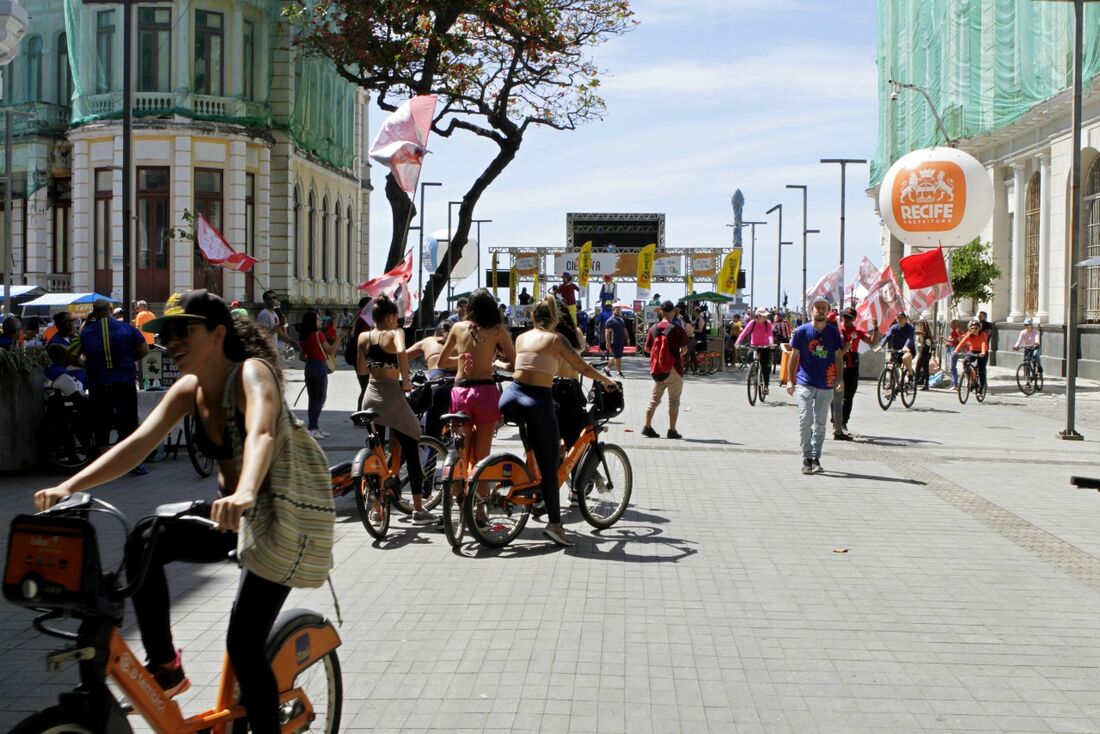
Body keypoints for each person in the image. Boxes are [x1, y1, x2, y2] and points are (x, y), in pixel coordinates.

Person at [35, 289, 305, 733]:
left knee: (243, 643)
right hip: (229, 516)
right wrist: (69, 484)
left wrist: (246, 493)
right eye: (168, 332)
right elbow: (137, 444)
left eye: (184, 330)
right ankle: (166, 666)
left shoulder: (253, 373)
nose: (172, 341)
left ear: (218, 333)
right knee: (146, 535)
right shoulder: (189, 388)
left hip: (277, 518)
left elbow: (260, 433)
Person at [503, 296, 618, 546]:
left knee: (534, 451)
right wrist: (606, 380)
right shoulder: (556, 339)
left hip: (510, 398)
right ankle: (555, 525)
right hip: (537, 400)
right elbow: (582, 366)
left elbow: (517, 364)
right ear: (554, 320)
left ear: (532, 317)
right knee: (549, 467)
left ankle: (532, 489)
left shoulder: (521, 338)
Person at [359, 296, 435, 523]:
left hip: (370, 395)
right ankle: (419, 509)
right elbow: (402, 352)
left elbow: (362, 368)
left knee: (376, 451)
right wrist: (406, 380)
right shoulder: (395, 333)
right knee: (412, 440)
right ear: (391, 317)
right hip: (392, 394)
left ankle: (375, 509)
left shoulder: (364, 337)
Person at [68, 299, 150, 473]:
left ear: (94, 313)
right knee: (128, 422)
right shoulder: (127, 328)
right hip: (124, 382)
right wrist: (130, 359)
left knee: (101, 424)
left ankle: (103, 466)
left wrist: (86, 364)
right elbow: (144, 349)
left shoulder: (85, 332)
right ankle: (133, 464)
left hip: (99, 383)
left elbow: (71, 355)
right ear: (110, 310)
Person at [439, 289, 516, 470]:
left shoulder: (458, 328)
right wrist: (496, 363)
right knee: (482, 459)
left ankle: (458, 494)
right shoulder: (498, 330)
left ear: (469, 308)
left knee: (461, 454)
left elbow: (441, 362)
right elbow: (515, 365)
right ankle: (481, 496)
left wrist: (461, 360)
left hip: (461, 392)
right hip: (485, 393)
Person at [787, 296, 843, 474]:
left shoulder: (833, 332)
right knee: (805, 419)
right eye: (817, 307)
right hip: (805, 381)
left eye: (823, 308)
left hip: (825, 383)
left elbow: (838, 356)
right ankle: (806, 457)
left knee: (820, 423)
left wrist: (839, 378)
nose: (820, 310)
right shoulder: (802, 331)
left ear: (828, 311)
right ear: (811, 310)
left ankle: (815, 457)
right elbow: (794, 356)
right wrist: (790, 379)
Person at [641, 300, 690, 440]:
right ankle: (672, 430)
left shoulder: (653, 328)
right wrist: (676, 355)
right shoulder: (678, 329)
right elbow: (685, 349)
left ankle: (647, 426)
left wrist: (659, 356)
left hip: (657, 369)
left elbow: (647, 348)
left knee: (654, 400)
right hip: (674, 368)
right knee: (674, 401)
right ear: (673, 312)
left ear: (661, 311)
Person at [407, 320, 456, 440]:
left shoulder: (428, 341)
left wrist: (405, 376)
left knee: (432, 435)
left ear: (435, 333)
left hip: (438, 385)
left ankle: (430, 456)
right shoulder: (458, 341)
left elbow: (403, 357)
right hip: (459, 386)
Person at [833, 308, 874, 440]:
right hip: (838, 364)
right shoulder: (836, 329)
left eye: (850, 318)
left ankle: (843, 422)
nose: (847, 320)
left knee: (849, 396)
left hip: (852, 366)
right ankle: (836, 420)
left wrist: (877, 329)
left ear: (854, 319)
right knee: (835, 395)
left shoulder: (858, 330)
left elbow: (871, 341)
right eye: (845, 317)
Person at [297, 311, 336, 439]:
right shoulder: (318, 335)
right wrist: (340, 337)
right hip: (319, 367)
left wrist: (312, 358)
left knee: (312, 399)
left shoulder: (304, 336)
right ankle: (313, 427)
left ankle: (314, 427)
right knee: (320, 399)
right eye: (318, 319)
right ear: (312, 322)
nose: (320, 321)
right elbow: (330, 350)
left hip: (309, 367)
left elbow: (302, 356)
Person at [736, 309, 774, 393]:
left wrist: (771, 342)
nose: (766, 317)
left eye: (766, 315)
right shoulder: (752, 323)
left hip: (765, 346)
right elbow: (744, 333)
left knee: (765, 367)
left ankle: (766, 387)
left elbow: (770, 334)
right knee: (749, 355)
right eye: (764, 315)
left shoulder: (767, 323)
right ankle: (752, 370)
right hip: (754, 345)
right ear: (758, 316)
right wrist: (737, 342)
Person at [256, 290, 295, 355]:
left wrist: (293, 342)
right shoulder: (264, 314)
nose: (272, 300)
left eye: (274, 298)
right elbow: (263, 335)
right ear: (265, 301)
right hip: (265, 351)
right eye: (269, 298)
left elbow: (280, 335)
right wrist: (280, 325)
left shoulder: (274, 314)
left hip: (273, 350)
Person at [954, 318, 989, 390]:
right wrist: (956, 350)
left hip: (983, 352)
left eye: (976, 328)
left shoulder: (982, 335)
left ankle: (982, 387)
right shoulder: (969, 335)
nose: (974, 330)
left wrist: (982, 352)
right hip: (973, 350)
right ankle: (972, 381)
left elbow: (983, 344)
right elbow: (962, 342)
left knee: (981, 369)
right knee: (965, 362)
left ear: (979, 328)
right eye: (972, 328)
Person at [604, 306, 627, 378]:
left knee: (616, 357)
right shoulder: (610, 321)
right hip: (614, 342)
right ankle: (619, 372)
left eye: (620, 310)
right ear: (613, 311)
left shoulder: (621, 320)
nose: (619, 311)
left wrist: (628, 338)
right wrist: (607, 342)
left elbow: (624, 329)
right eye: (617, 310)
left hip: (621, 341)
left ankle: (606, 368)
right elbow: (607, 332)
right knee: (618, 357)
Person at [941, 318, 962, 387]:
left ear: (955, 324)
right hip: (950, 348)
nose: (950, 324)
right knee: (951, 367)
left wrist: (944, 338)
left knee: (953, 367)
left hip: (954, 349)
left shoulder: (956, 331)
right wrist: (947, 343)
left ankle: (955, 384)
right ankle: (953, 383)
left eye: (952, 323)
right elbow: (951, 341)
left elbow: (953, 340)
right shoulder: (952, 331)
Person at [914, 319, 934, 390]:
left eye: (919, 325)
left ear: (921, 325)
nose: (919, 326)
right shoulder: (929, 332)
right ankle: (926, 385)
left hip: (924, 352)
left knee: (918, 367)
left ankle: (915, 384)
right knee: (925, 369)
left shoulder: (922, 332)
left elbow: (917, 333)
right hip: (928, 353)